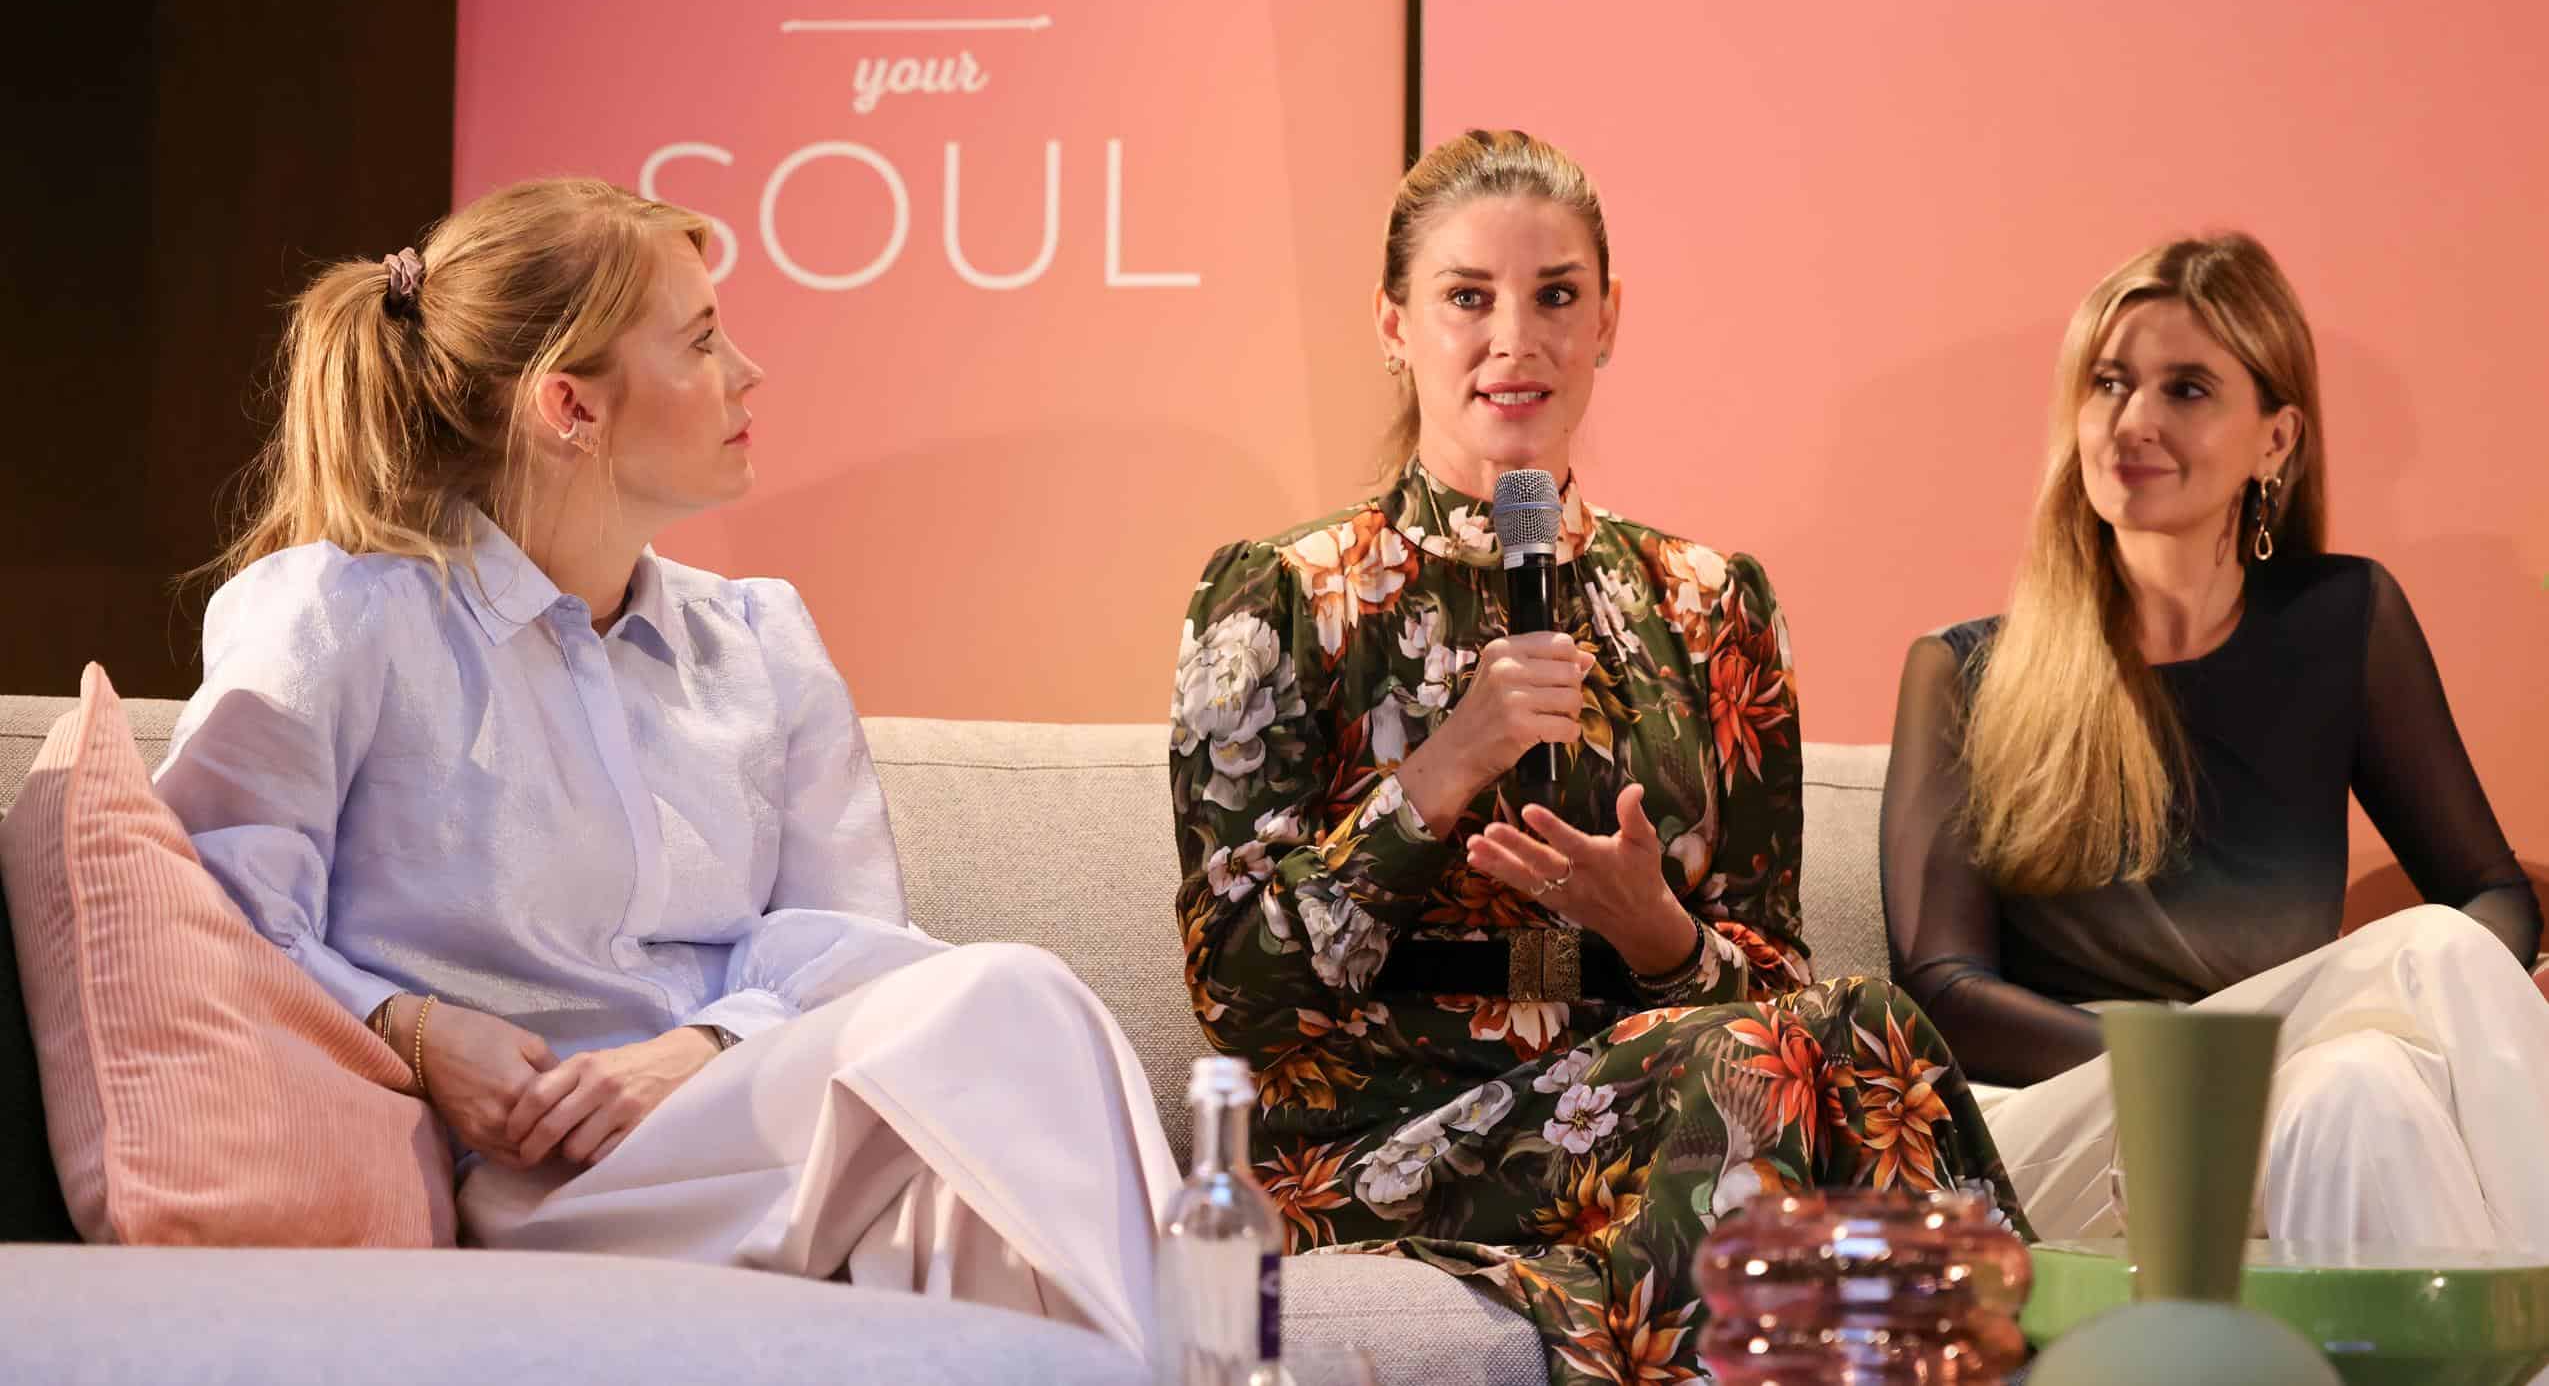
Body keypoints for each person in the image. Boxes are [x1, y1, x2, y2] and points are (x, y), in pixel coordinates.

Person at [157, 178, 1175, 1351]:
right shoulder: (340, 614)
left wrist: (703, 1047)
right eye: (699, 340)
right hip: (545, 1174)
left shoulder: (758, 637)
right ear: (570, 406)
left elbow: (853, 944)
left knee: (954, 1194)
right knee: (1012, 1001)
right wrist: (415, 1028)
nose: (748, 371)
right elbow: (208, 910)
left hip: (750, 1130)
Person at [1171, 130, 2027, 1382]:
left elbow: (1773, 971)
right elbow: (1233, 986)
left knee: (1861, 1021)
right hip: (1379, 1137)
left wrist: (1656, 933)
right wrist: (1439, 771)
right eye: (1467, 297)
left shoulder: (1706, 603)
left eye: (1555, 295)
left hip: (1672, 1106)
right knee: (1751, 1059)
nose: (1514, 338)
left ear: (1606, 320)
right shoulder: (1282, 596)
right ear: (1393, 324)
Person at [1880, 230, 2549, 1249]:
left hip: (2274, 1099)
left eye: (2185, 389)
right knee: (2423, 957)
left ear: (2274, 440)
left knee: (2357, 1088)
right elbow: (1943, 994)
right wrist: (2190, 1057)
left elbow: (2488, 889)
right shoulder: (1964, 668)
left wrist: (2344, 1032)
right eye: (2109, 383)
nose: (2133, 421)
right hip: (2050, 1134)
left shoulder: (2342, 620)